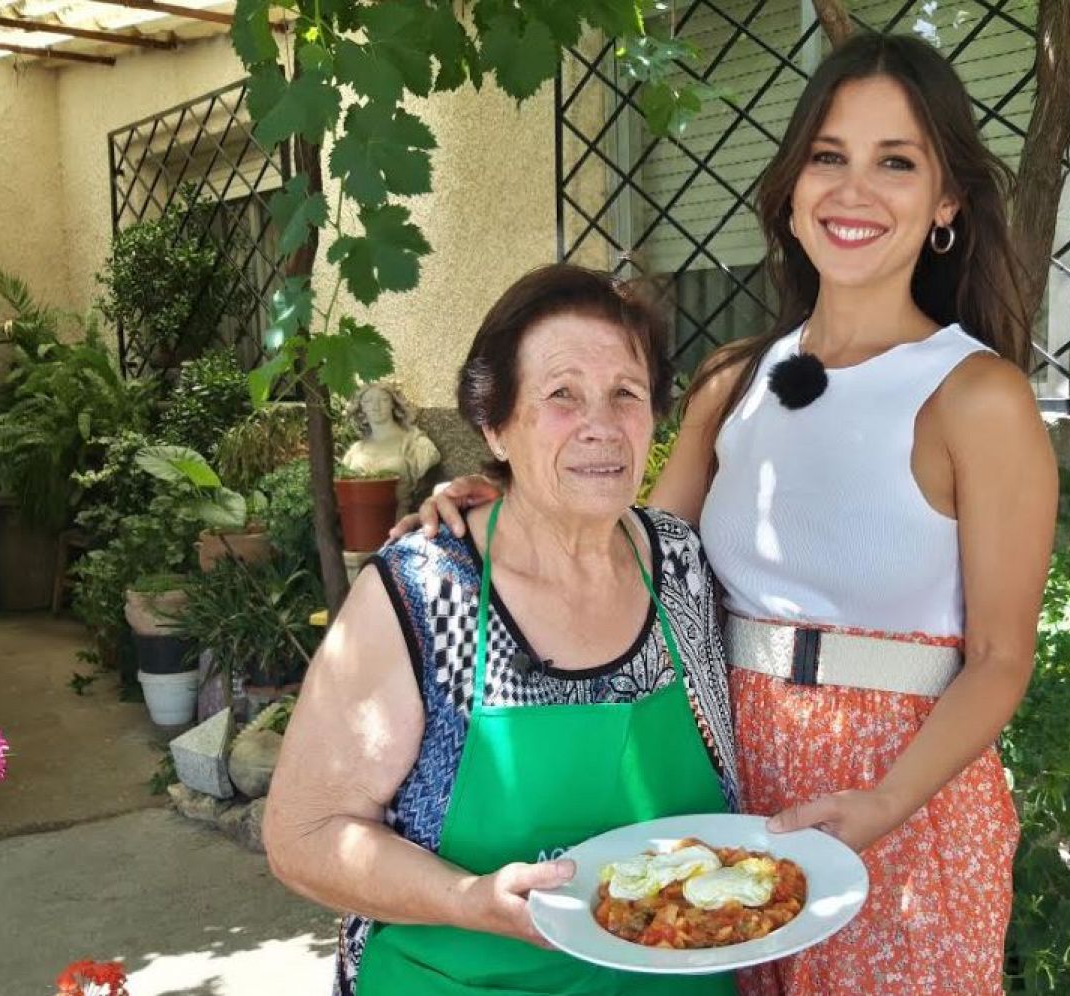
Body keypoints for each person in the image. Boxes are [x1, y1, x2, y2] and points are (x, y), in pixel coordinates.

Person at [408, 31, 1057, 995]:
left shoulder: (976, 396)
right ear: (792, 186)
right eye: (828, 156)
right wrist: (505, 497)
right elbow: (635, 556)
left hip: (902, 791)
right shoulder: (733, 383)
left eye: (897, 163)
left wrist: (882, 803)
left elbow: (1003, 658)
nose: (853, 190)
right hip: (719, 763)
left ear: (947, 203)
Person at [266, 264, 739, 996]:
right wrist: (466, 900)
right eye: (561, 396)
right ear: (494, 424)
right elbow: (302, 838)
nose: (602, 426)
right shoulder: (421, 593)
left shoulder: (679, 563)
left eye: (626, 394)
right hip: (462, 978)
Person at [340, 381, 442, 513]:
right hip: (360, 522)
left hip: (398, 519)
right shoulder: (356, 450)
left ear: (393, 404)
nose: (376, 406)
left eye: (383, 400)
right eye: (368, 401)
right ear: (361, 407)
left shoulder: (415, 444)